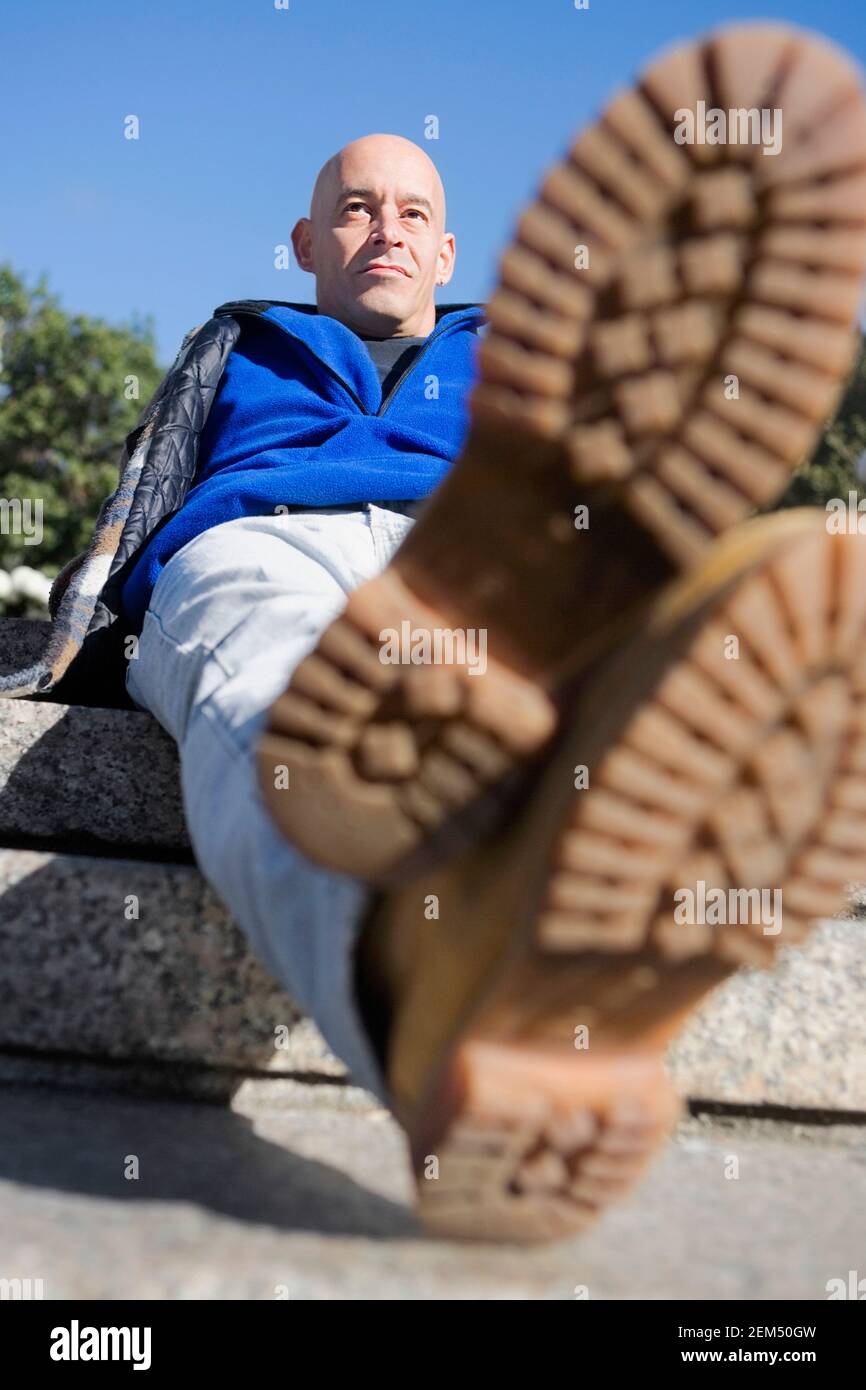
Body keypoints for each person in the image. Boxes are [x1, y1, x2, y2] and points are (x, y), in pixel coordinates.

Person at [124, 22, 866, 1241]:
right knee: (266, 683)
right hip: (259, 539)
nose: (386, 229)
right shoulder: (239, 343)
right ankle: (435, 976)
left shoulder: (494, 357)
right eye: (354, 210)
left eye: (413, 212)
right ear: (305, 244)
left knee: (562, 575)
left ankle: (499, 853)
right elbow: (134, 508)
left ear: (450, 248)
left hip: (462, 551)